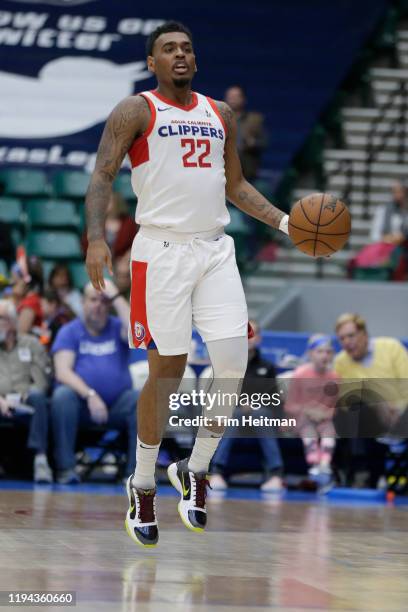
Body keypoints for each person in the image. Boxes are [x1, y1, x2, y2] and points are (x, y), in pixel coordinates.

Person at [85, 21, 293, 548]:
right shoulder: (136, 110)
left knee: (233, 364)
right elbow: (103, 175)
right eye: (168, 50)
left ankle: (195, 468)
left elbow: (237, 186)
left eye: (187, 49)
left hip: (215, 250)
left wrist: (289, 224)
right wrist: (95, 239)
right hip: (162, 253)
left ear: (196, 61)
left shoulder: (219, 112)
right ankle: (144, 482)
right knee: (167, 375)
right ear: (152, 62)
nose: (180, 55)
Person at [50, 279, 137, 484]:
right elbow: (62, 372)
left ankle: (135, 474)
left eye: (103, 301)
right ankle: (66, 469)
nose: (98, 305)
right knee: (62, 395)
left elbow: (136, 330)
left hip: (117, 405)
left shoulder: (118, 327)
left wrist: (114, 295)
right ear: (82, 302)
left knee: (142, 399)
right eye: (93, 300)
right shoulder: (69, 331)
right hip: (80, 406)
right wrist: (90, 395)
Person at [334, 313, 408, 486]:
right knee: (356, 404)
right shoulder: (340, 362)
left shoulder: (391, 348)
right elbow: (343, 401)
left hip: (402, 414)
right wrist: (376, 402)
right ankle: (363, 474)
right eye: (341, 339)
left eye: (351, 335)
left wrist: (397, 409)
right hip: (371, 419)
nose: (346, 342)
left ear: (364, 334)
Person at [210, 320, 284, 492]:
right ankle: (216, 471)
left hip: (260, 414)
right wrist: (239, 402)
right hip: (234, 413)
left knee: (261, 416)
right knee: (233, 416)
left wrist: (255, 404)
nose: (249, 337)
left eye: (253, 333)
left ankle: (275, 474)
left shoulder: (267, 367)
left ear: (259, 338)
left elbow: (274, 398)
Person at [0, 299, 52, 483]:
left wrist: (25, 394)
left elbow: (41, 381)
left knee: (39, 397)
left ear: (13, 322)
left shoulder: (30, 344)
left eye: (2, 319)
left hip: (25, 402)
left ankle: (40, 460)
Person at [285, 335, 339, 477]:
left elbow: (335, 407)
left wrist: (325, 413)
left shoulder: (335, 378)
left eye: (328, 352)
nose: (324, 356)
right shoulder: (300, 374)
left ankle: (325, 464)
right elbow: (290, 406)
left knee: (329, 430)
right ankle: (314, 463)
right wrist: (307, 410)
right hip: (302, 420)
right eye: (319, 351)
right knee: (308, 429)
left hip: (324, 420)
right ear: (310, 353)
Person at [224, 85, 267, 181]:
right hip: (224, 170)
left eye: (236, 97)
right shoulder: (219, 119)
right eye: (230, 97)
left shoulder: (255, 119)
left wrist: (253, 143)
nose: (232, 100)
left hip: (247, 172)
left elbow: (264, 142)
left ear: (243, 99)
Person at [11, 256, 44, 335]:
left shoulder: (31, 303)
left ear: (25, 282)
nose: (11, 283)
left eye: (15, 282)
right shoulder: (24, 300)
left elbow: (20, 334)